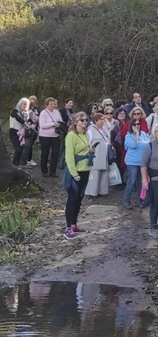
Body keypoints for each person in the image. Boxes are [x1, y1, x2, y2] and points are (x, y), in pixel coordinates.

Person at [63, 112, 92, 240]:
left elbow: (86, 148)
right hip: (75, 172)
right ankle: (68, 227)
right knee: (72, 199)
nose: (84, 122)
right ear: (75, 122)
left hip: (85, 169)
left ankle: (74, 224)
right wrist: (74, 173)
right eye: (82, 120)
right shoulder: (71, 136)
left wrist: (90, 151)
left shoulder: (85, 134)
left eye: (86, 120)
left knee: (79, 198)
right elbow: (69, 156)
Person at [123, 119, 150, 209]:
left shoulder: (144, 134)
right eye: (134, 124)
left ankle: (140, 200)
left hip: (142, 161)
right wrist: (137, 134)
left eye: (138, 124)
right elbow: (133, 145)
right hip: (132, 162)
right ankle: (127, 201)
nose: (137, 125)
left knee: (140, 182)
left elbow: (149, 144)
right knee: (132, 180)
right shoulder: (128, 136)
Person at [85, 113, 110, 197]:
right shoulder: (91, 130)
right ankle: (92, 192)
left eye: (103, 119)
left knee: (103, 172)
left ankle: (102, 191)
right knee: (95, 172)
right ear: (96, 121)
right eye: (101, 120)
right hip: (96, 154)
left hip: (104, 153)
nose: (103, 121)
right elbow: (88, 142)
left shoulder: (104, 129)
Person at [39, 97, 63, 177]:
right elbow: (42, 125)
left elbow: (60, 121)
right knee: (45, 153)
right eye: (51, 104)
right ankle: (44, 171)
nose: (53, 106)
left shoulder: (57, 112)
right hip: (45, 136)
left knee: (55, 153)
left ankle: (53, 171)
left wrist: (60, 125)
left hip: (55, 136)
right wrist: (53, 124)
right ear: (47, 105)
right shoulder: (43, 113)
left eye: (54, 104)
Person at [9, 98, 30, 167]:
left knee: (21, 149)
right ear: (20, 104)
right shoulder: (15, 111)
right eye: (24, 104)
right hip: (14, 132)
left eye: (26, 105)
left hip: (21, 133)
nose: (25, 106)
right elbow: (17, 118)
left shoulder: (25, 113)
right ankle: (14, 165)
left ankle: (16, 165)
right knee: (18, 149)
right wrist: (24, 123)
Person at [22, 96, 39, 167]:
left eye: (34, 100)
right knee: (27, 145)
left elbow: (38, 118)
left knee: (31, 145)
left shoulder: (36, 109)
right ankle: (25, 160)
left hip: (35, 129)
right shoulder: (26, 109)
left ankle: (29, 159)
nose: (33, 102)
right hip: (28, 129)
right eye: (32, 100)